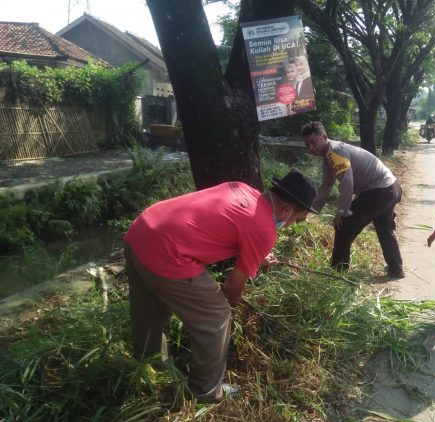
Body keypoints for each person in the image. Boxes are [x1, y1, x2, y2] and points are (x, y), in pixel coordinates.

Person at [123, 170, 318, 403]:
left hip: (142, 230)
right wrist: (230, 304)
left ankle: (148, 368)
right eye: (298, 219)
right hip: (168, 252)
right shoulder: (264, 229)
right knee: (217, 316)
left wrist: (257, 256)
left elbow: (226, 224)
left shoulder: (241, 188)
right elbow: (232, 285)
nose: (292, 224)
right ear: (286, 210)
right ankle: (205, 392)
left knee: (150, 310)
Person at [301, 121, 405, 278]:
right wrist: (309, 211)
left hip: (380, 190)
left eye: (313, 142)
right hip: (390, 187)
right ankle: (396, 269)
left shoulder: (335, 152)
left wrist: (341, 212)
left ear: (324, 137)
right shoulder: (328, 158)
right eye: (307, 144)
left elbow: (347, 182)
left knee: (344, 225)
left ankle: (337, 274)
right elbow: (326, 187)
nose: (311, 148)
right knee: (384, 227)